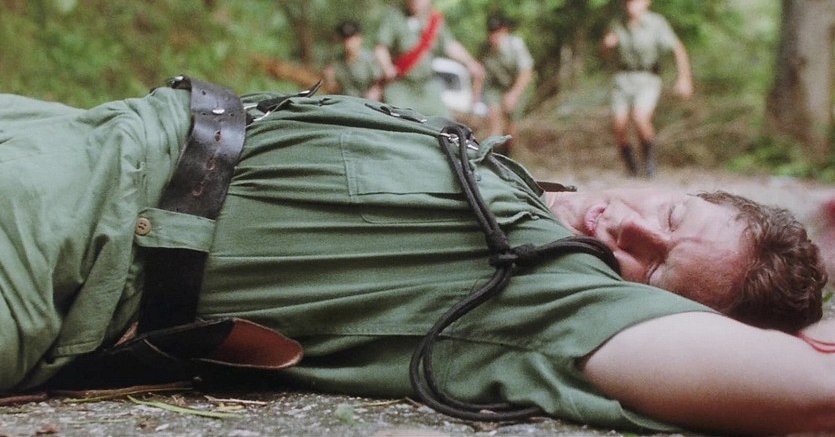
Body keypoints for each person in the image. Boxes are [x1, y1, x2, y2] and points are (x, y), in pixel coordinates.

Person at [1, 77, 834, 435]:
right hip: (73, 131)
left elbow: (813, 395)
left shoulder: (554, 292)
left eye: (654, 267)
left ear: (654, 307)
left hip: (59, 246)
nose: (631, 227)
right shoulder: (509, 179)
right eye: (672, 212)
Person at [601, 0, 694, 178]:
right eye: (628, 0)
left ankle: (649, 162)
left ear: (646, 1)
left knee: (640, 117)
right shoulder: (617, 24)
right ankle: (631, 167)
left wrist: (684, 78)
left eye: (635, 0)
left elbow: (678, 49)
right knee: (619, 125)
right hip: (622, 78)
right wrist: (606, 46)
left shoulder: (656, 23)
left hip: (647, 78)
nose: (631, 5)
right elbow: (604, 53)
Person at [374, 0, 484, 117]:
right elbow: (381, 48)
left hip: (427, 83)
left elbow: (450, 45)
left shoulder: (434, 20)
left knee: (443, 121)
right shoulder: (394, 17)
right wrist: (387, 67)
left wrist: (470, 62)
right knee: (396, 120)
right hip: (401, 84)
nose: (416, 0)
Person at [478, 13, 534, 156]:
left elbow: (526, 73)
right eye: (491, 32)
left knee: (511, 125)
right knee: (494, 116)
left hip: (517, 85)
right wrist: (475, 95)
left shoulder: (516, 45)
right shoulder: (486, 49)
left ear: (505, 31)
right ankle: (492, 152)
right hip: (496, 87)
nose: (494, 36)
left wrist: (514, 94)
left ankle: (508, 153)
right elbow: (481, 73)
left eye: (498, 32)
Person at [323, 20, 383, 101]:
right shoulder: (336, 62)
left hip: (368, 102)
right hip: (344, 103)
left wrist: (375, 92)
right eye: (344, 38)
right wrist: (329, 80)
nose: (348, 43)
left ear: (360, 38)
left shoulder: (370, 59)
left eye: (351, 38)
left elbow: (380, 82)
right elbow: (333, 90)